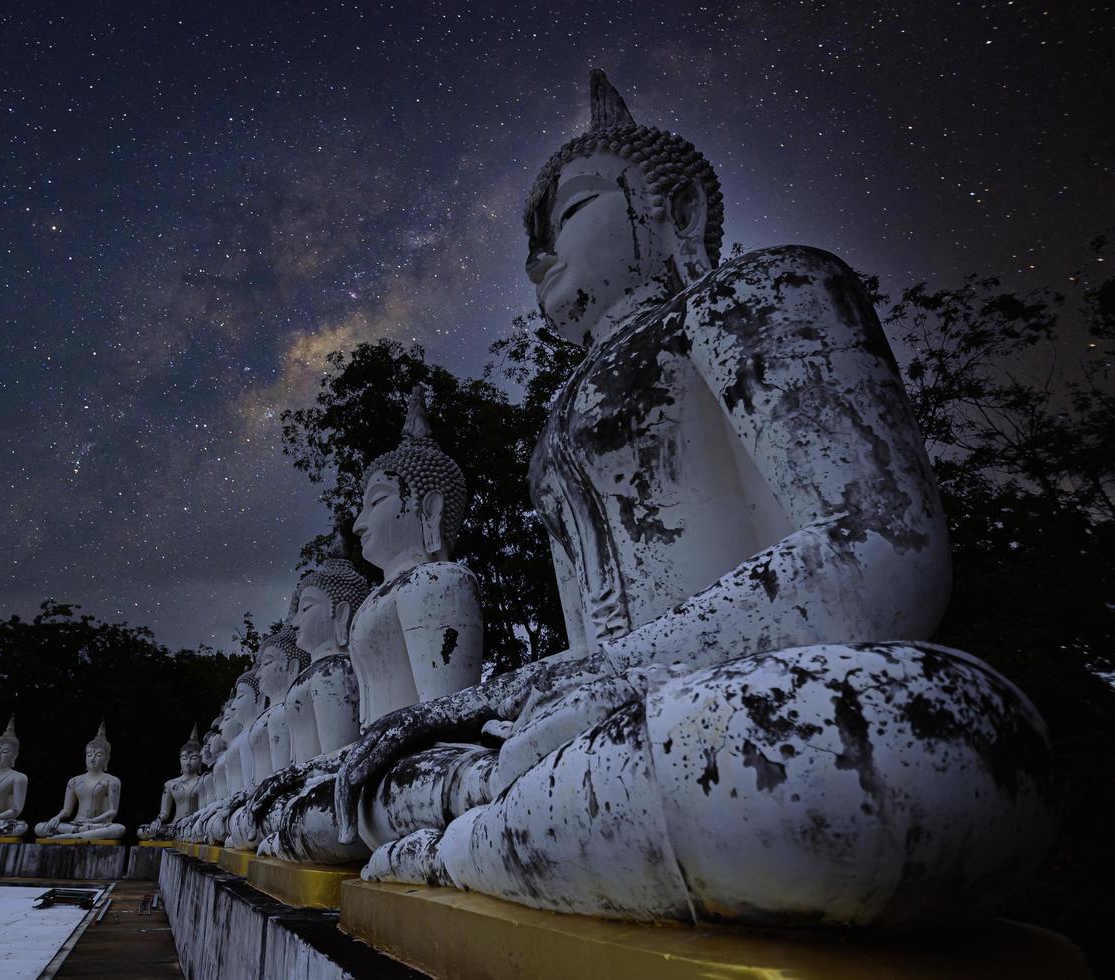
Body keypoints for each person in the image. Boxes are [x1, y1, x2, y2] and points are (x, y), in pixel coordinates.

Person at [334, 70, 1058, 930]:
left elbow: (880, 544)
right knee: (364, 783)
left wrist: (581, 678)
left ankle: (469, 848)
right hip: (590, 746)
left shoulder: (759, 296)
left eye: (565, 215)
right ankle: (494, 827)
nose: (537, 257)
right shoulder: (554, 428)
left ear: (670, 210)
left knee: (898, 747)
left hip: (741, 705)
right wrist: (518, 708)